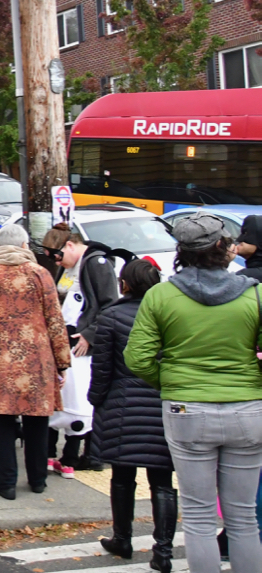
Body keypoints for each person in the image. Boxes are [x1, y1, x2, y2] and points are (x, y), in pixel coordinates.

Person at [126, 212, 262, 573]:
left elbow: (137, 359)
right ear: (223, 247)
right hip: (248, 409)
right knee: (244, 518)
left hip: (186, 409)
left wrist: (170, 383)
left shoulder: (160, 296)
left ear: (182, 250)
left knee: (200, 517)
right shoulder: (256, 295)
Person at [0, 224, 71, 500]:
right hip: (38, 358)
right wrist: (62, 361)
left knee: (2, 421)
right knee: (37, 418)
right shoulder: (40, 274)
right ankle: (37, 479)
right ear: (25, 246)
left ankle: (6, 483)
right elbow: (55, 320)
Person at [88, 259, 176, 571]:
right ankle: (163, 551)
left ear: (124, 283)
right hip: (162, 402)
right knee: (162, 481)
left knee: (122, 477)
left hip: (121, 403)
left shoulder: (111, 316)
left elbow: (102, 368)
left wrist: (96, 400)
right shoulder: (169, 313)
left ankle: (122, 538)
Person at [47, 231, 119, 476]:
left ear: (70, 245)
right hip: (64, 339)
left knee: (78, 401)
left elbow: (110, 304)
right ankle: (54, 455)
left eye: (58, 256)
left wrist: (90, 333)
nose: (57, 262)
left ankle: (78, 455)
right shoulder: (69, 267)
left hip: (82, 345)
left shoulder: (96, 264)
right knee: (62, 398)